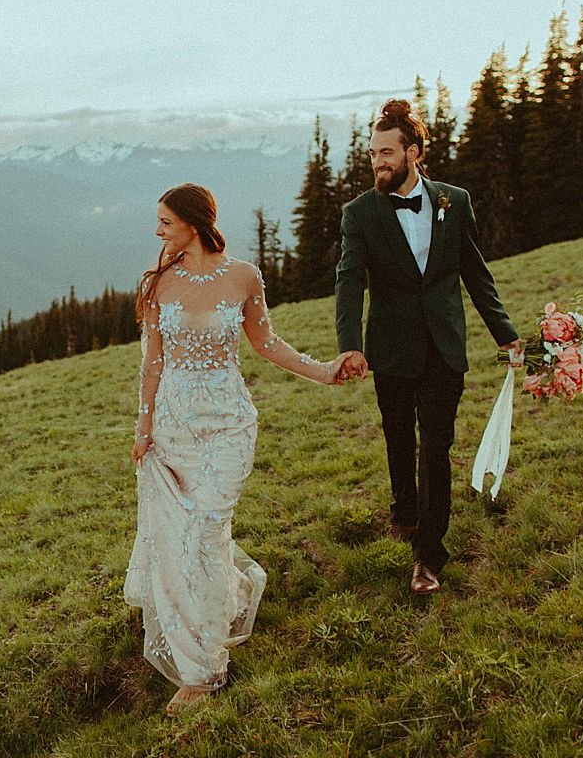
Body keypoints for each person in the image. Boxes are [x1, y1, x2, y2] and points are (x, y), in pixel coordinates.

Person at [124, 183, 352, 716]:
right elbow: (152, 363)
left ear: (193, 223)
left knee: (207, 528)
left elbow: (266, 343)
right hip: (175, 429)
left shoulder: (244, 277)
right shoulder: (160, 285)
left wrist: (324, 372)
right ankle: (203, 646)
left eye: (164, 223)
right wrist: (143, 429)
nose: (157, 233)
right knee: (185, 540)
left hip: (228, 425)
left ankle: (203, 673)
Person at [334, 100, 522, 595]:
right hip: (390, 348)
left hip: (444, 346)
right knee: (399, 436)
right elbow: (349, 282)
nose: (378, 162)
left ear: (413, 152)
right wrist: (349, 346)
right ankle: (404, 509)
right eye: (373, 153)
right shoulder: (359, 214)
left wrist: (505, 332)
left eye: (388, 153)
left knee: (435, 447)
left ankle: (428, 556)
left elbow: (476, 274)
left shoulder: (453, 202)